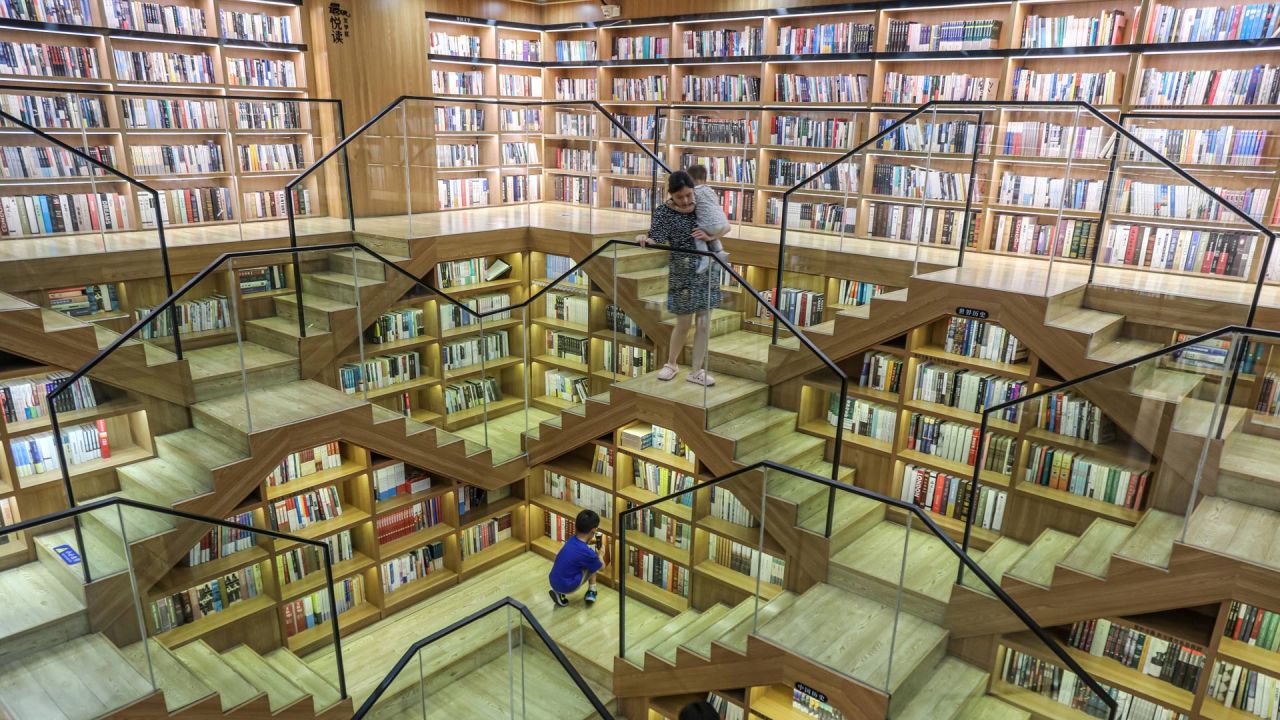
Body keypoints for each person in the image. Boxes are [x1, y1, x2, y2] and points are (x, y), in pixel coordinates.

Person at [636, 170, 729, 387]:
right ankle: (671, 363)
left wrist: (711, 236)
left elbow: (723, 225)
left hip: (707, 271)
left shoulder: (703, 204)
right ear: (671, 195)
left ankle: (697, 371)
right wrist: (642, 238)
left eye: (689, 195)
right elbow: (655, 238)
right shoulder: (663, 213)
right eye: (680, 197)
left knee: (704, 323)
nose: (686, 200)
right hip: (682, 271)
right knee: (684, 323)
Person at [548, 509, 603, 607]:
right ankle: (592, 590)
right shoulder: (588, 554)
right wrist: (600, 555)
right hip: (568, 586)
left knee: (586, 560)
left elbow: (581, 547)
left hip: (553, 580)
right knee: (594, 563)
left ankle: (558, 592)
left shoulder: (572, 539)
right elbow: (601, 567)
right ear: (593, 531)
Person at [686, 165, 731, 274]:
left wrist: (676, 207)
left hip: (708, 225)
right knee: (712, 234)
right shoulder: (711, 191)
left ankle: (705, 259)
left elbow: (690, 208)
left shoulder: (694, 192)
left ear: (691, 180)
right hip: (723, 223)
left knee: (697, 235)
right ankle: (720, 252)